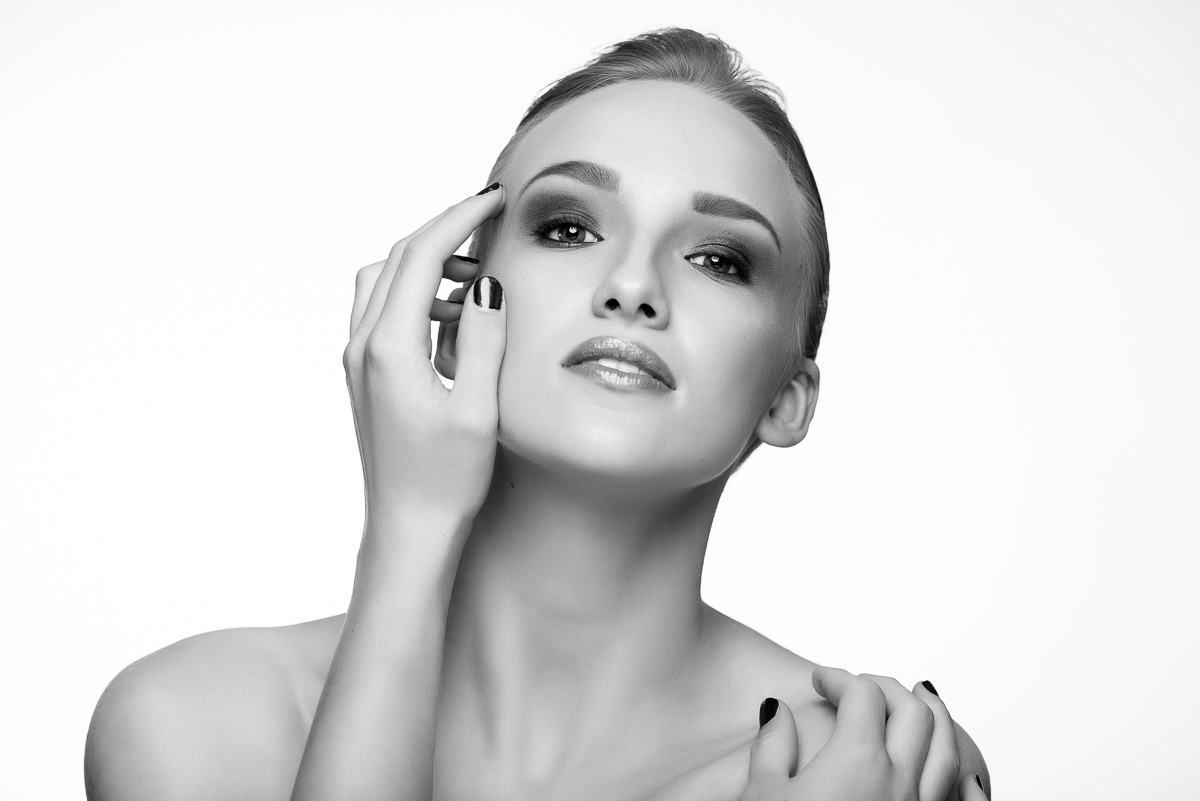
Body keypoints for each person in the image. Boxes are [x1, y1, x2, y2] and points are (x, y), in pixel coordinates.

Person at [84, 27, 990, 801]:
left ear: (786, 399)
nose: (631, 286)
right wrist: (410, 530)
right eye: (568, 228)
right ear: (451, 320)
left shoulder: (865, 761)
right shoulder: (199, 723)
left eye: (719, 258)